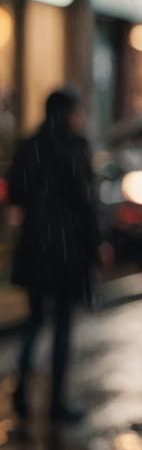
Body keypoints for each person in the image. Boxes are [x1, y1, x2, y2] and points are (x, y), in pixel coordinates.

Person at [5, 88, 102, 424]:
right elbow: (86, 204)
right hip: (65, 250)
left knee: (34, 321)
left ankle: (21, 389)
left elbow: (15, 193)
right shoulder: (75, 148)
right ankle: (56, 401)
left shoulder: (30, 146)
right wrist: (94, 246)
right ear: (68, 112)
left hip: (35, 247)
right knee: (61, 324)